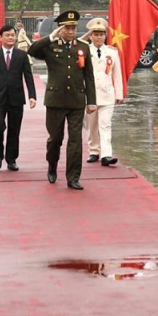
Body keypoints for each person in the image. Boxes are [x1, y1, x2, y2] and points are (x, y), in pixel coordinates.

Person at [28, 10, 96, 190]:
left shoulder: (83, 47)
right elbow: (32, 50)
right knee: (55, 139)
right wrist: (50, 37)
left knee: (75, 140)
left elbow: (89, 77)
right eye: (67, 28)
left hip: (76, 101)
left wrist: (91, 101)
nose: (71, 31)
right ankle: (52, 166)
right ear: (60, 29)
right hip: (55, 101)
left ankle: (73, 177)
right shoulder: (51, 46)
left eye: (73, 28)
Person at [0, 25, 37, 171]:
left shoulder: (22, 55)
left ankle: (11, 159)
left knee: (14, 130)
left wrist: (32, 95)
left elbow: (28, 76)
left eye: (13, 35)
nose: (11, 37)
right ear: (1, 37)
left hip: (16, 98)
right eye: (8, 35)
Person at [83, 18, 124, 166]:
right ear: (90, 35)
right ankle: (94, 151)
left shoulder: (112, 52)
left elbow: (117, 74)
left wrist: (119, 94)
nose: (99, 37)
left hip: (107, 94)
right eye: (96, 34)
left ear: (105, 36)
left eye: (101, 34)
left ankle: (106, 154)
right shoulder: (85, 51)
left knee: (105, 125)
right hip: (90, 95)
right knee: (91, 125)